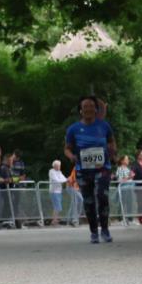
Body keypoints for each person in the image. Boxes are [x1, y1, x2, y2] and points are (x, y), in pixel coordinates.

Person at [65, 95, 117, 243]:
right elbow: (67, 149)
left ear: (96, 109)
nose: (88, 109)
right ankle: (94, 232)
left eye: (91, 106)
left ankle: (105, 230)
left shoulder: (104, 125)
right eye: (85, 107)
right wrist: (72, 157)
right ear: (80, 110)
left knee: (102, 196)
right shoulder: (73, 129)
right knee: (88, 202)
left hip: (102, 168)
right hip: (83, 170)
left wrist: (113, 151)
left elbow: (112, 142)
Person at [48, 159, 68, 226]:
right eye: (58, 165)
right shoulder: (51, 171)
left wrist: (64, 180)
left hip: (59, 191)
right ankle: (54, 221)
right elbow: (56, 180)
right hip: (54, 191)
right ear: (55, 166)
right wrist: (62, 180)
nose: (59, 167)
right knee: (57, 206)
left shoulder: (59, 172)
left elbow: (64, 178)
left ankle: (55, 220)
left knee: (57, 207)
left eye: (60, 165)